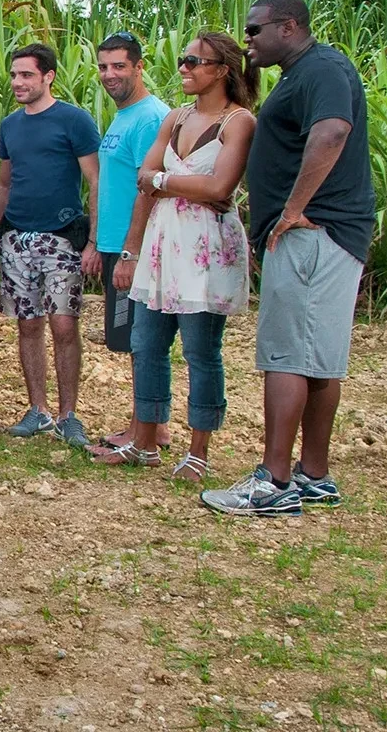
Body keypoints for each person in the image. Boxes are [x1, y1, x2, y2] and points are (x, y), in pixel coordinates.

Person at [203, 0, 373, 517]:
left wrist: (292, 210)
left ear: (290, 26)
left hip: (313, 234)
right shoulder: (306, 73)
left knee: (287, 356)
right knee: (318, 358)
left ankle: (273, 482)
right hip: (326, 235)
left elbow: (333, 131)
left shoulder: (321, 68)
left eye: (255, 30)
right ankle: (313, 476)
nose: (247, 40)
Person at [100, 33, 256, 480]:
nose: (184, 67)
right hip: (161, 244)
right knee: (147, 343)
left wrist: (163, 181)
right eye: (184, 59)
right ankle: (145, 442)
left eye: (194, 61)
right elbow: (143, 180)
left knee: (200, 350)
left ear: (222, 69)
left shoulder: (239, 122)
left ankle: (198, 451)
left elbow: (220, 186)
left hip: (205, 249)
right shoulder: (176, 117)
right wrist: (131, 248)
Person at [0, 43, 101, 448]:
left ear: (48, 76)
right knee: (28, 325)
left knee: (64, 324)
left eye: (26, 75)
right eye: (14, 75)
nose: (18, 82)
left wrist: (94, 241)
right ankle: (38, 410)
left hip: (61, 237)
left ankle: (69, 415)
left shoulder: (74, 120)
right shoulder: (10, 125)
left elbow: (95, 180)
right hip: (18, 237)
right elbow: (4, 183)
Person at [91, 31, 171, 448]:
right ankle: (147, 424)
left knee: (143, 339)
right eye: (104, 66)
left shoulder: (150, 117)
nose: (110, 74)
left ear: (140, 67)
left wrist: (130, 251)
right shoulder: (124, 116)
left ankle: (148, 429)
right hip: (114, 244)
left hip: (136, 248)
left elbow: (151, 188)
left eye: (119, 66)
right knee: (131, 338)